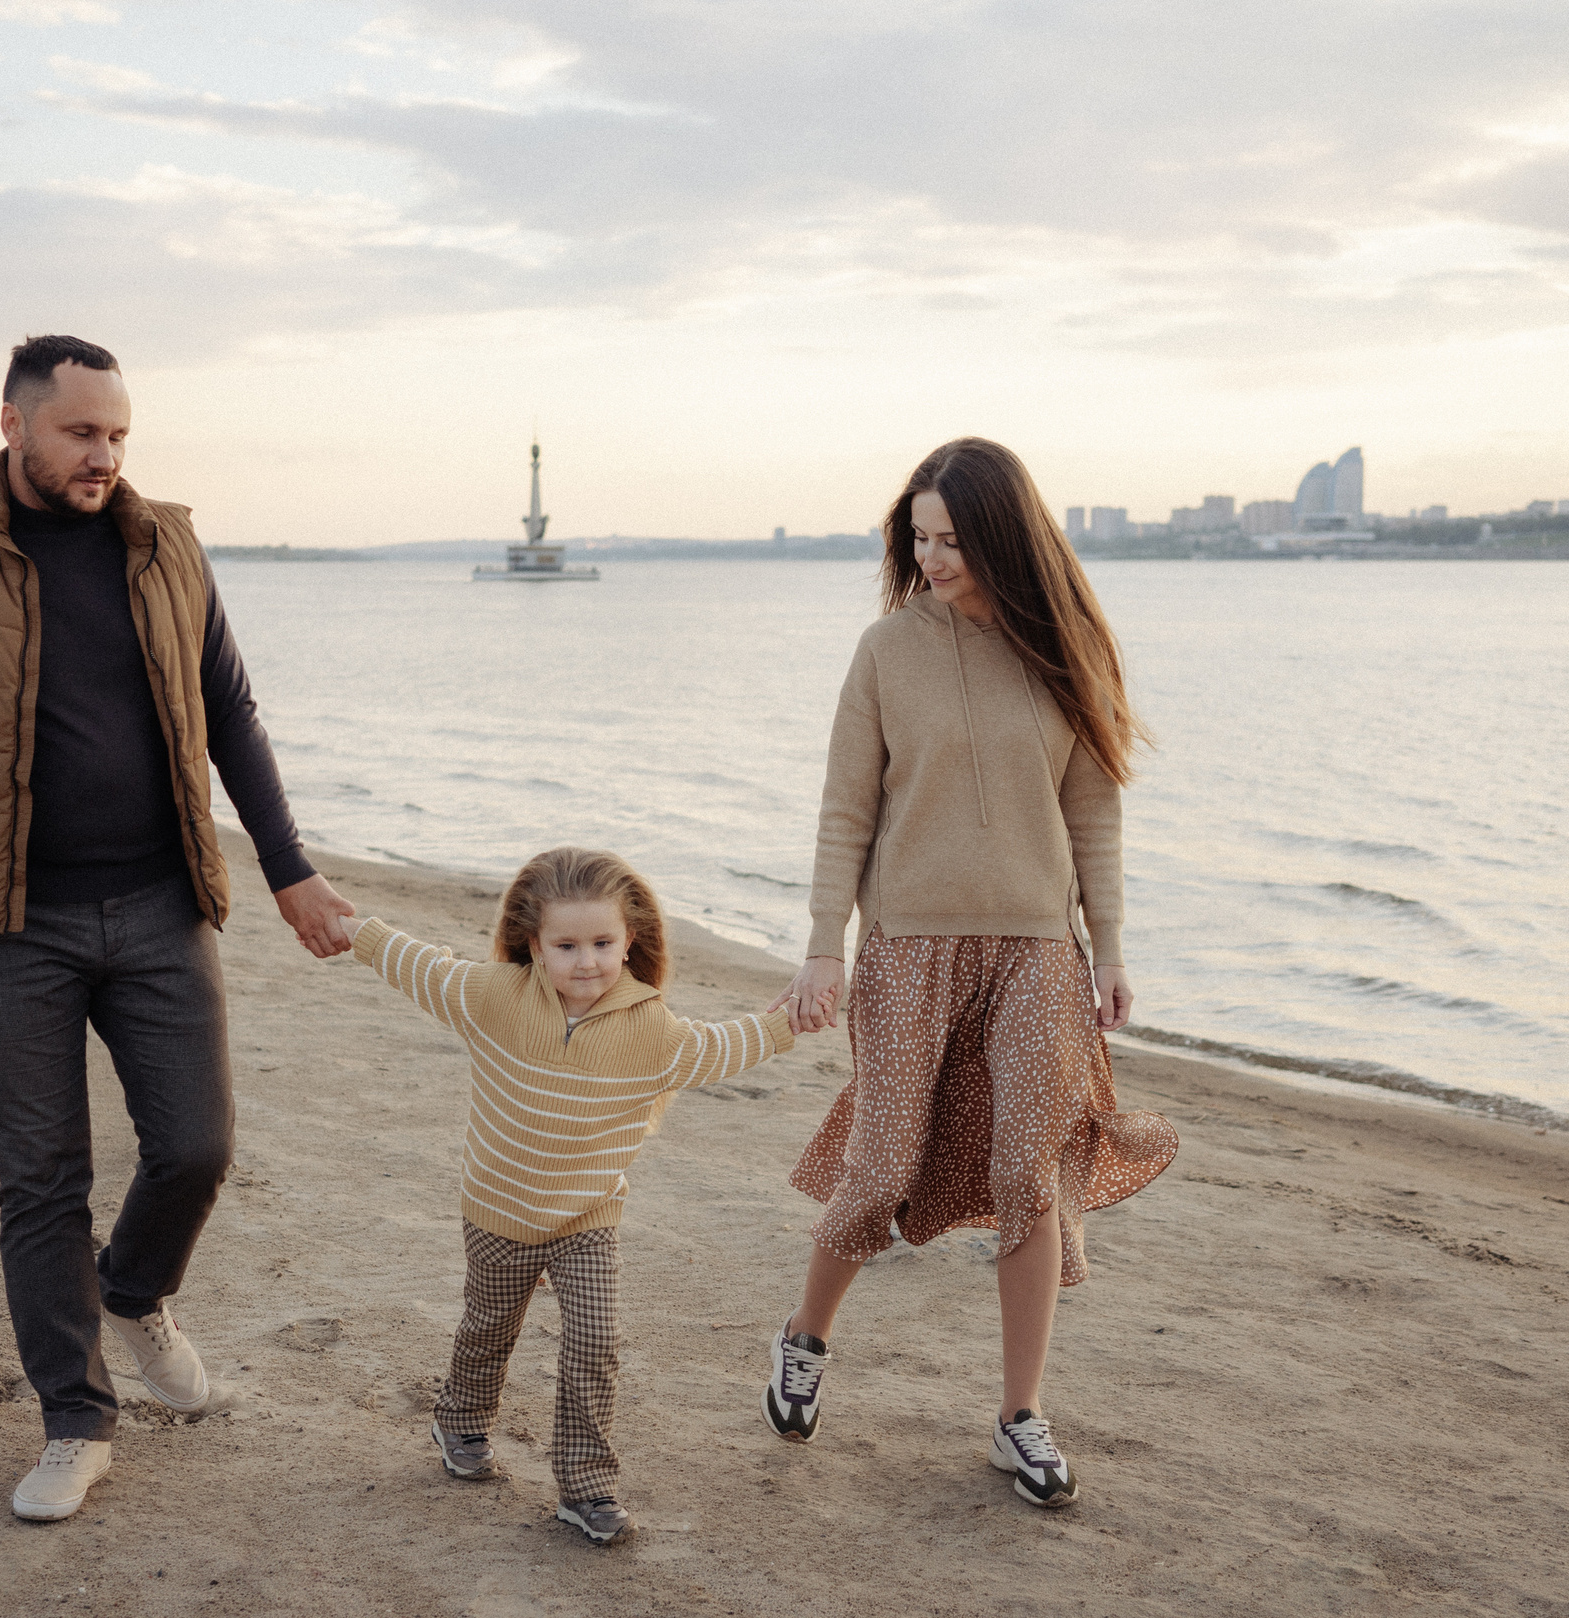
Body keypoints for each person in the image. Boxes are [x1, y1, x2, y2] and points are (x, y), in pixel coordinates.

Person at [0, 334, 355, 1522]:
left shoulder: (167, 545)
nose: (104, 455)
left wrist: (291, 872)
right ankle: (74, 1419)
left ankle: (134, 1290)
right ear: (13, 425)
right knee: (40, 1178)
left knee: (196, 1147)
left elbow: (231, 713)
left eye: (118, 435)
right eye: (81, 433)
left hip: (162, 904)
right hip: (7, 923)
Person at [759, 436, 1178, 1509]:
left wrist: (1111, 946)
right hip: (909, 948)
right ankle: (806, 1337)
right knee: (885, 1162)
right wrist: (824, 945)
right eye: (920, 538)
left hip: (1039, 950)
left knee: (1025, 1174)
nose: (932, 558)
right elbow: (844, 810)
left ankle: (1019, 1416)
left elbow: (1093, 810)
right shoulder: (884, 652)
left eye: (952, 539)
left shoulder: (1063, 648)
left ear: (1002, 535)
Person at [330, 848, 794, 1545]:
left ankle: (586, 1485)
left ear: (629, 939)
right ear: (534, 943)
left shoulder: (653, 1030)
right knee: (489, 1327)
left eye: (603, 943)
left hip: (588, 1217)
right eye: (567, 945)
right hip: (498, 1208)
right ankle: (460, 1418)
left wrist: (789, 1021)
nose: (587, 962)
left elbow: (719, 1047)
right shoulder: (493, 997)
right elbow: (419, 965)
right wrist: (355, 931)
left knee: (595, 1340)